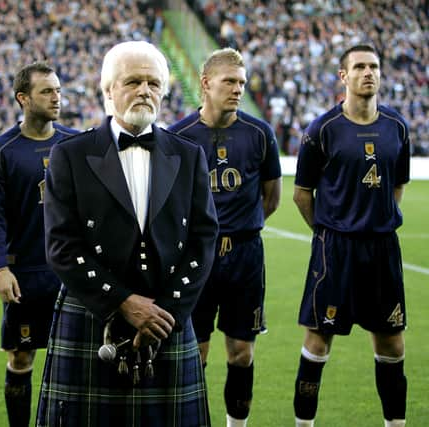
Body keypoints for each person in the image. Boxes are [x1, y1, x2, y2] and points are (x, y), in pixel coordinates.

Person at [36, 40, 219, 426]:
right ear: (108, 90)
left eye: (153, 83)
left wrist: (165, 311)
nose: (144, 91)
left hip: (167, 317)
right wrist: (122, 302)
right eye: (133, 81)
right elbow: (61, 245)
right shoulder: (70, 154)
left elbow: (204, 240)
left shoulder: (188, 155)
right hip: (93, 316)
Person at [292, 44, 410, 427]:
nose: (368, 73)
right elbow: (301, 194)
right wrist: (329, 231)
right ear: (343, 76)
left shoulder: (397, 127)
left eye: (374, 66)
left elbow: (397, 185)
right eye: (359, 67)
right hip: (335, 249)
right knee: (317, 342)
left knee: (392, 343)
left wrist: (377, 219)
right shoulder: (322, 130)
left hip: (382, 249)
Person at [169, 48, 282, 427]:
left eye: (242, 83)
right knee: (194, 353)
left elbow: (271, 197)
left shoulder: (259, 133)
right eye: (229, 81)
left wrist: (240, 228)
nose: (237, 89)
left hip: (245, 258)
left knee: (241, 354)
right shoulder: (178, 137)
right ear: (205, 83)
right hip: (196, 260)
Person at [0, 62, 79, 427]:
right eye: (47, 92)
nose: (57, 97)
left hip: (71, 273)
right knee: (21, 359)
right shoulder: (2, 150)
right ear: (23, 98)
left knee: (71, 360)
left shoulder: (74, 143)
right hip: (24, 272)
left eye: (58, 90)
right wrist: (0, 268)